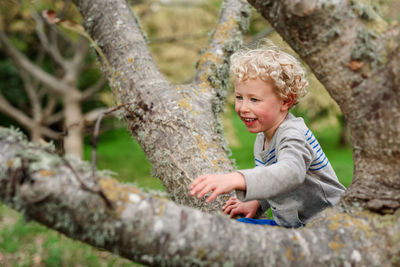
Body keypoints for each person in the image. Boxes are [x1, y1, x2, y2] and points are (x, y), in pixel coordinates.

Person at [189, 45, 346, 228]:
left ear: (285, 101)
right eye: (239, 97)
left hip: (330, 226)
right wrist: (259, 202)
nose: (243, 107)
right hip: (294, 226)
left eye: (254, 99)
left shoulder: (293, 134)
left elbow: (290, 173)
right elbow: (276, 182)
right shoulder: (262, 138)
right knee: (229, 228)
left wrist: (237, 179)